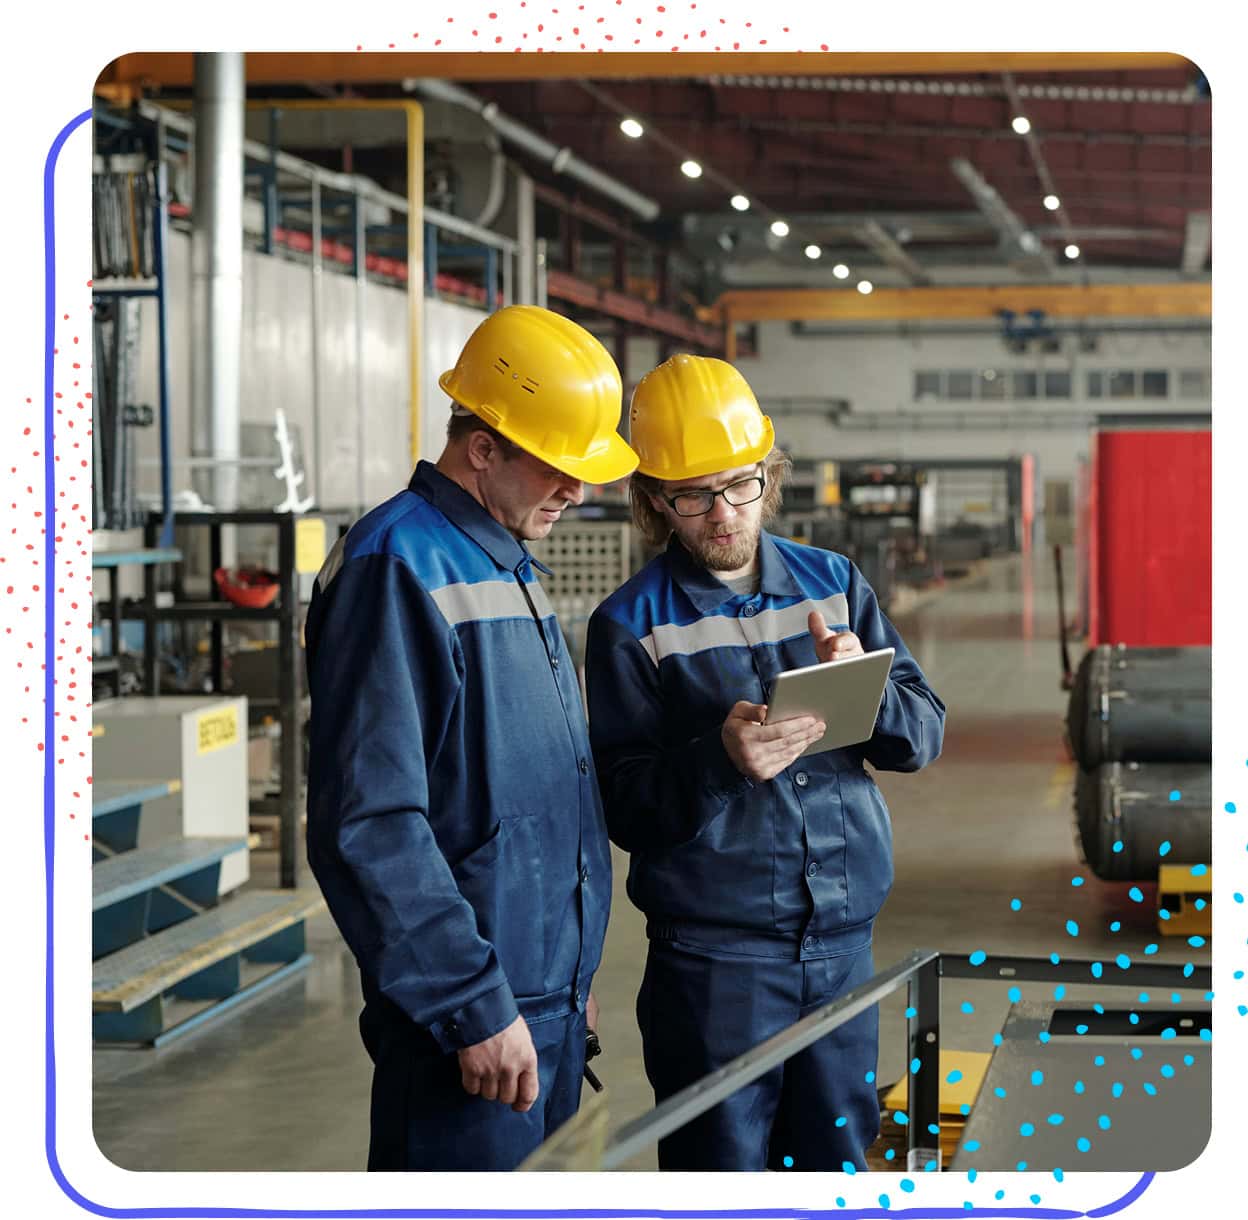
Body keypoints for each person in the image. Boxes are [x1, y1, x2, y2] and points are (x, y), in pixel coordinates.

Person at [584, 353, 945, 1172]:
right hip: (716, 968)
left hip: (843, 946)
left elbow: (922, 735)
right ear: (654, 502)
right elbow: (624, 806)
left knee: (838, 1165)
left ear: (767, 474)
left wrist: (869, 684)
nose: (722, 513)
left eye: (739, 485)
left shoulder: (835, 584)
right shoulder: (629, 626)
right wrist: (717, 762)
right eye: (692, 494)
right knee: (723, 1172)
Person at [305, 305, 638, 1171]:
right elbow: (370, 820)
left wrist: (570, 983)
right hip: (474, 1020)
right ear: (482, 447)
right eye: (557, 467)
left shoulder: (503, 555)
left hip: (542, 1002)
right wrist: (472, 1003)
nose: (577, 491)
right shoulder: (399, 566)